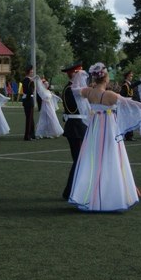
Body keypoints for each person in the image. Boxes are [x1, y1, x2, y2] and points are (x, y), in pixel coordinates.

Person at [67, 62, 141, 212]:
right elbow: (132, 104)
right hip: (108, 129)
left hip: (94, 129)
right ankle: (112, 197)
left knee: (94, 160)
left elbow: (74, 89)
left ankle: (92, 196)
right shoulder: (109, 95)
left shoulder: (88, 92)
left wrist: (79, 75)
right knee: (111, 158)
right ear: (105, 79)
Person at [60, 61, 87, 200]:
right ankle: (69, 191)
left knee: (80, 160)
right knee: (78, 160)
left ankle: (73, 190)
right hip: (75, 127)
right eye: (80, 74)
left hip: (80, 126)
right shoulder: (70, 89)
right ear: (73, 74)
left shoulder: (76, 89)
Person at [119, 71, 136, 140]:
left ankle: (129, 135)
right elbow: (123, 94)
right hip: (126, 102)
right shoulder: (125, 85)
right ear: (127, 77)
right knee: (128, 119)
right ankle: (128, 135)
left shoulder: (128, 84)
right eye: (130, 76)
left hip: (129, 101)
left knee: (130, 119)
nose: (131, 77)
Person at [21, 65, 35, 140]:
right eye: (31, 71)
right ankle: (27, 135)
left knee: (30, 118)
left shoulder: (25, 80)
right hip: (29, 100)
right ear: (29, 72)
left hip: (27, 100)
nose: (32, 72)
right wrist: (33, 83)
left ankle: (32, 134)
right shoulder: (29, 80)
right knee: (29, 119)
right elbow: (31, 91)